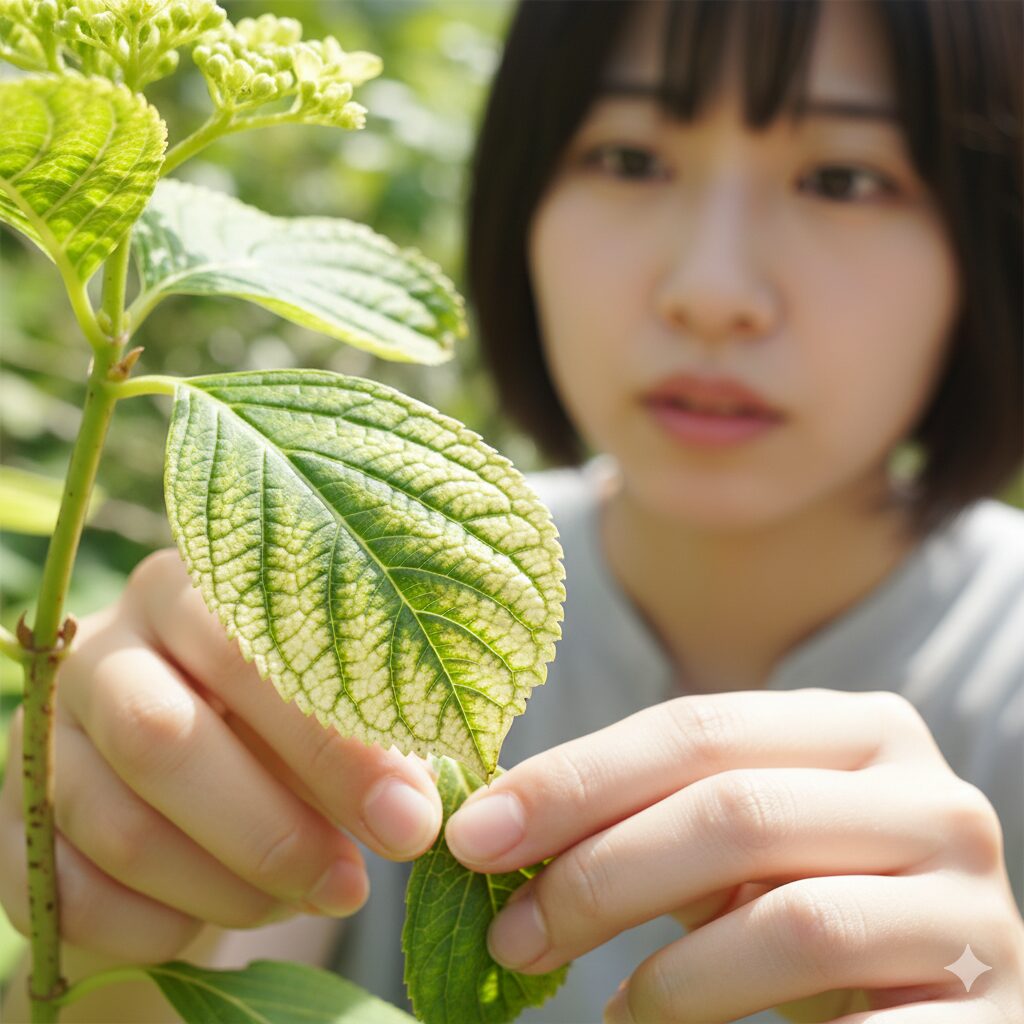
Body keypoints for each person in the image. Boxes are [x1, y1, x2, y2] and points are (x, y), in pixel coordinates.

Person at [2, 0, 1022, 1021]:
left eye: (842, 178)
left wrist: (982, 986)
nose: (711, 291)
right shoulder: (362, 576)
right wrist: (120, 915)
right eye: (628, 159)